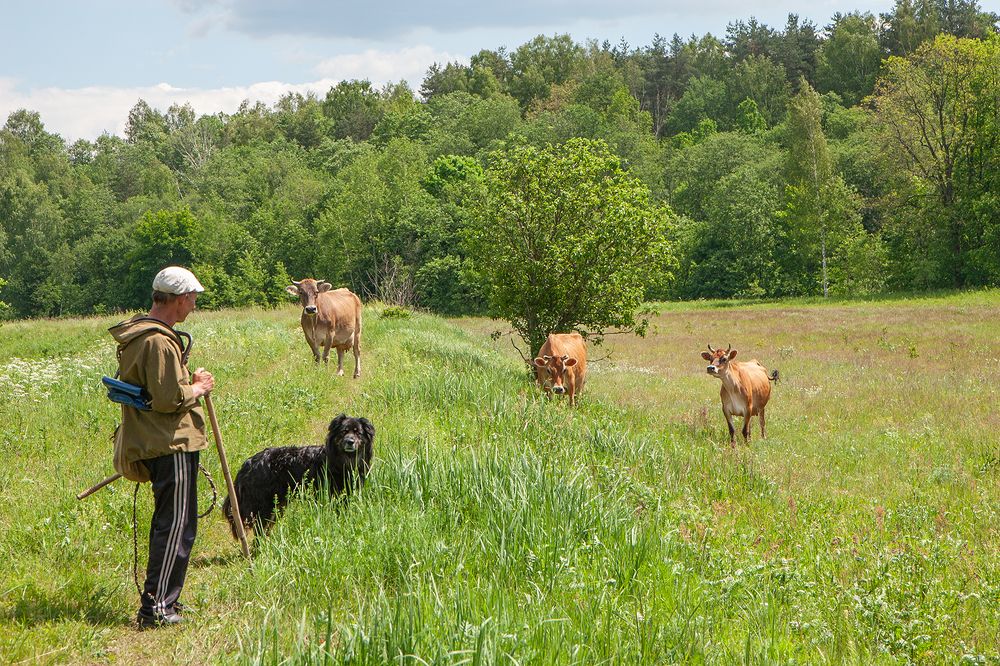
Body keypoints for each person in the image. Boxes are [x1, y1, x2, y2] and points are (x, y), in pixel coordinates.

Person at [109, 266, 215, 629]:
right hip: (171, 445)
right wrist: (198, 388)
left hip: (159, 442)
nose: (194, 305)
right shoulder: (157, 340)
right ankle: (156, 608)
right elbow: (170, 399)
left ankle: (166, 599)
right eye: (193, 298)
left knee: (174, 525)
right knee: (175, 527)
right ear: (180, 298)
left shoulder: (143, 334)